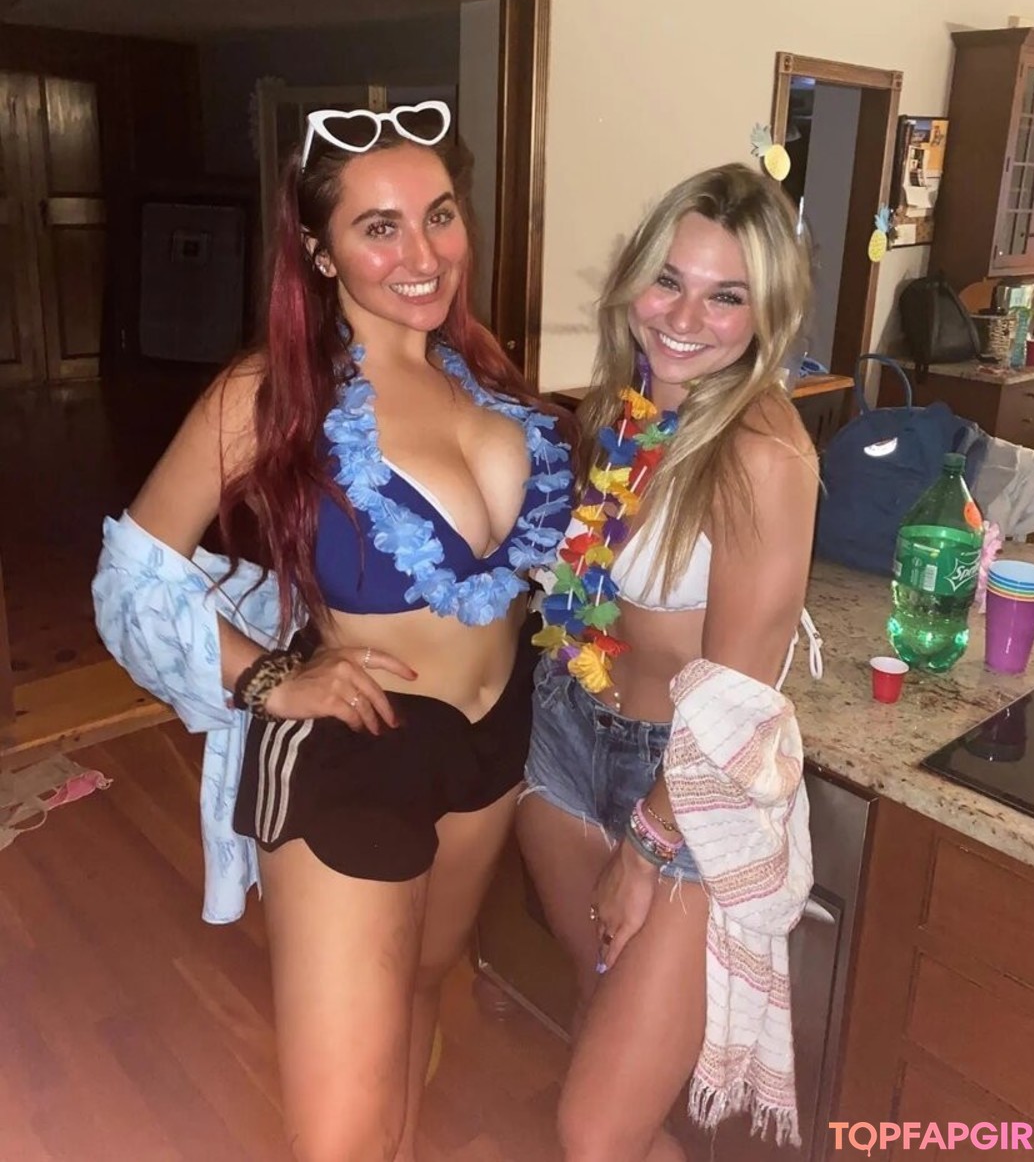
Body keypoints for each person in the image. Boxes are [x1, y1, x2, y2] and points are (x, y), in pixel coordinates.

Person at [93, 99, 573, 1162]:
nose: (423, 255)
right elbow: (133, 572)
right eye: (379, 227)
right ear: (318, 251)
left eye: (439, 215)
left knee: (423, 993)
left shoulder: (483, 377)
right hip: (356, 749)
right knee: (341, 1139)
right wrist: (267, 678)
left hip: (494, 743)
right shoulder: (273, 391)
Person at [518, 163, 818, 1162]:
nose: (685, 319)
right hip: (567, 748)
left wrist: (646, 850)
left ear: (766, 311)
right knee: (601, 1037)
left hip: (683, 790)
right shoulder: (628, 403)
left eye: (725, 295)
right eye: (668, 280)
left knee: (594, 1130)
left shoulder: (763, 454)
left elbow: (735, 705)